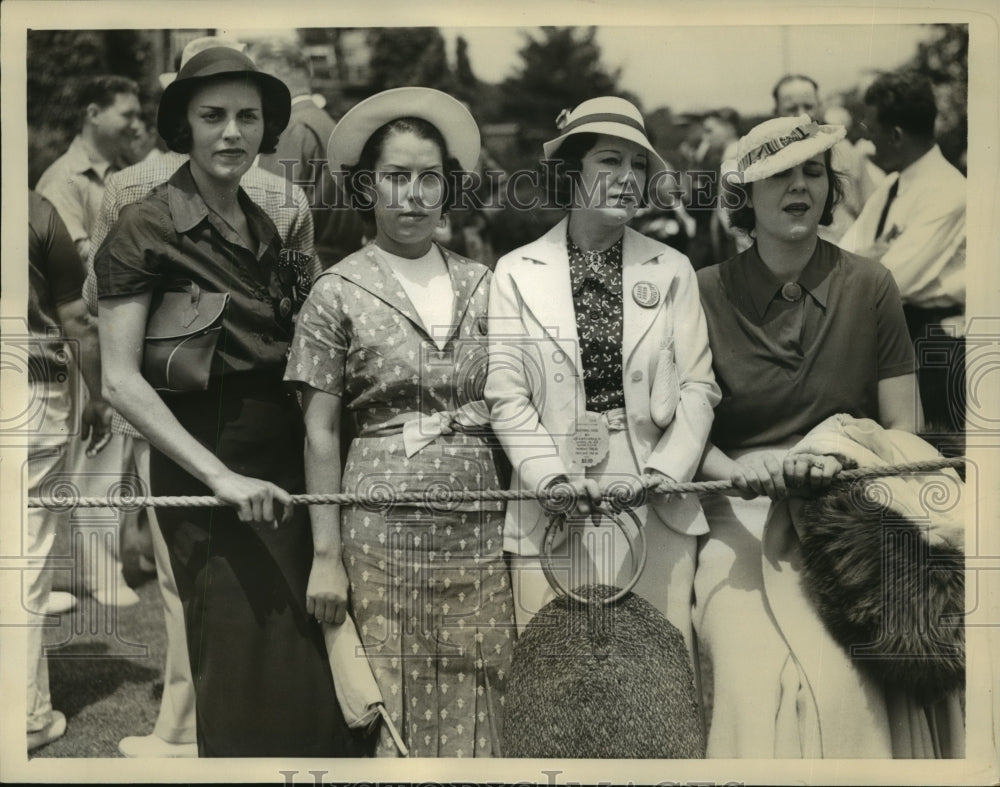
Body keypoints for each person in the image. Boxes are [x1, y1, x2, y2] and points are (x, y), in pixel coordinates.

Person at [93, 46, 361, 757]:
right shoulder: (143, 227)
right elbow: (120, 380)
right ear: (183, 122)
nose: (232, 133)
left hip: (286, 464)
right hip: (209, 468)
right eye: (212, 115)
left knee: (304, 668)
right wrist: (220, 478)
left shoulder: (266, 226)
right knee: (242, 672)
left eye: (248, 116)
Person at [692, 114, 960, 757]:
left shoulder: (871, 285)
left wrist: (835, 462)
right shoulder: (702, 292)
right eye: (779, 175)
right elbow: (684, 439)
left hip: (853, 517)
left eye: (813, 171)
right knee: (751, 682)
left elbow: (904, 433)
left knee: (847, 689)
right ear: (744, 198)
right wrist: (741, 471)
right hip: (743, 517)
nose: (799, 186)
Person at [285, 87, 514, 757]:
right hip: (380, 529)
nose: (413, 195)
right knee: (392, 693)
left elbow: (517, 408)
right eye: (395, 177)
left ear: (448, 188)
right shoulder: (337, 291)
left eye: (428, 178)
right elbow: (320, 431)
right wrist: (327, 556)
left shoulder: (486, 284)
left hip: (479, 523)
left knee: (487, 678)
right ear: (367, 187)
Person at [484, 97, 720, 661]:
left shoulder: (672, 267)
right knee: (559, 682)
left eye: (638, 165)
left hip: (652, 497)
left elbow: (698, 387)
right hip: (554, 499)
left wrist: (664, 473)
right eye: (609, 162)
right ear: (573, 172)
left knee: (656, 679)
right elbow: (507, 395)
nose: (627, 179)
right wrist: (552, 481)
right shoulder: (516, 272)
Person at [25, 191, 113, 752]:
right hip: (31, 386)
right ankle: (27, 715)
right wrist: (99, 397)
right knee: (25, 559)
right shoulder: (35, 209)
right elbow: (76, 315)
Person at [839, 71, 966, 434]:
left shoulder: (948, 191)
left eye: (871, 126)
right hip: (891, 340)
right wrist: (872, 255)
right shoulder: (892, 186)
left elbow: (890, 282)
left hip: (936, 348)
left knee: (938, 458)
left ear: (895, 135)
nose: (866, 135)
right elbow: (840, 255)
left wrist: (870, 258)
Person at [250, 38, 366, 269]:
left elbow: (271, 217)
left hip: (302, 269)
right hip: (340, 265)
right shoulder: (328, 124)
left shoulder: (291, 127)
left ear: (272, 74)